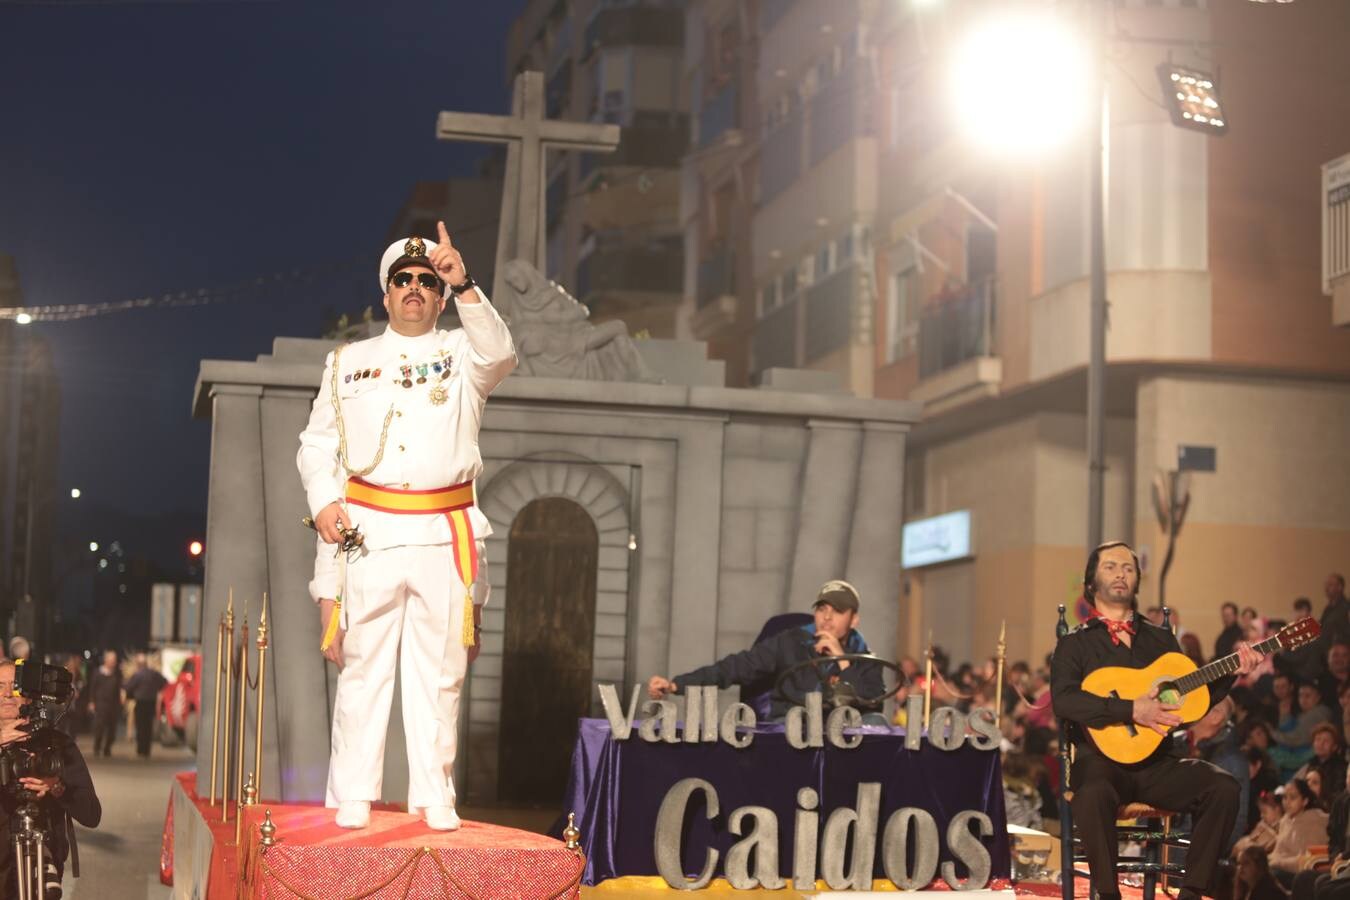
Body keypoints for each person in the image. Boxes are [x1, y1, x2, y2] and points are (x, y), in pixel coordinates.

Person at [297, 224, 515, 831]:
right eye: (404, 281)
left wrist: (466, 282)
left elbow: (500, 352)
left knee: (440, 675)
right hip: (368, 534)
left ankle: (433, 792)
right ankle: (353, 792)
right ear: (386, 294)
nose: (416, 288)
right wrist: (321, 507)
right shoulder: (347, 363)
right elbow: (317, 448)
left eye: (427, 281)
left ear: (440, 297)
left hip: (443, 533)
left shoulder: (464, 354)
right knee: (363, 669)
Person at [1051, 540, 1261, 900]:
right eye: (1111, 567)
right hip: (1101, 763)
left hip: (1157, 763)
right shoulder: (1075, 644)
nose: (1121, 574)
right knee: (1091, 794)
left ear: (1136, 581)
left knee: (1224, 787)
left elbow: (1190, 701)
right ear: (1091, 583)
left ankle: (1192, 892)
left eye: (1129, 568)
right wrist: (1131, 710)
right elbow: (1065, 700)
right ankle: (1108, 894)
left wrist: (1233, 672)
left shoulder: (1162, 639)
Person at [646, 579, 885, 720]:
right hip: (789, 737)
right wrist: (676, 684)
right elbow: (737, 667)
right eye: (822, 609)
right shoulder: (791, 641)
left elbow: (871, 703)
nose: (827, 617)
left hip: (839, 747)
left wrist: (842, 660)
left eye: (838, 611)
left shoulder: (867, 660)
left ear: (854, 620)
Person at [0, 660, 101, 893]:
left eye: (15, 686)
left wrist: (57, 788)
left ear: (30, 693)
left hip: (41, 866)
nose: (7, 694)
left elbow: (91, 814)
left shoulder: (55, 743)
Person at [1194, 697, 1253, 854]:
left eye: (1197, 703)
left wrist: (1208, 855)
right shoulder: (1183, 744)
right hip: (1168, 846)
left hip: (1194, 855)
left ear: (1216, 716)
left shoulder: (1230, 760)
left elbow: (1235, 818)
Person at [1269, 779, 1329, 886]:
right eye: (1284, 797)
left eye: (1292, 797)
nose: (1287, 802)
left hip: (1302, 876)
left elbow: (1306, 861)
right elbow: (1277, 852)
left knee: (1268, 877)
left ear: (1305, 801)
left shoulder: (1315, 822)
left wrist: (1277, 862)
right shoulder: (1285, 820)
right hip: (1280, 868)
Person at [122, 653, 167, 758]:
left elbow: (128, 687)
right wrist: (156, 689)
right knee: (148, 727)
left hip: (141, 703)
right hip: (151, 703)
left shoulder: (138, 675)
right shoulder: (154, 674)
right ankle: (147, 750)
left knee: (140, 727)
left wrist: (131, 695)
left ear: (138, 664)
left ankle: (141, 750)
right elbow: (164, 682)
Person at [86, 650, 123, 758]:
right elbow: (92, 688)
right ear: (106, 660)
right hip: (101, 704)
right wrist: (91, 701)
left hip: (113, 704)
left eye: (114, 660)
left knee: (112, 729)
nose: (113, 662)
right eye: (111, 660)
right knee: (99, 727)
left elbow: (119, 688)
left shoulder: (117, 674)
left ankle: (107, 748)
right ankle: (97, 747)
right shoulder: (98, 673)